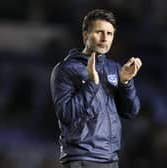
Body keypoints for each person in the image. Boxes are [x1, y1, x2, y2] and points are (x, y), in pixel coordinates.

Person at [50, 9, 142, 168]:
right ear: (85, 35)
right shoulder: (66, 69)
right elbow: (66, 114)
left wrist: (126, 83)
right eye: (99, 32)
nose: (105, 38)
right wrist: (92, 83)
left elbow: (131, 112)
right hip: (82, 158)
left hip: (111, 159)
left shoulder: (114, 68)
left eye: (109, 33)